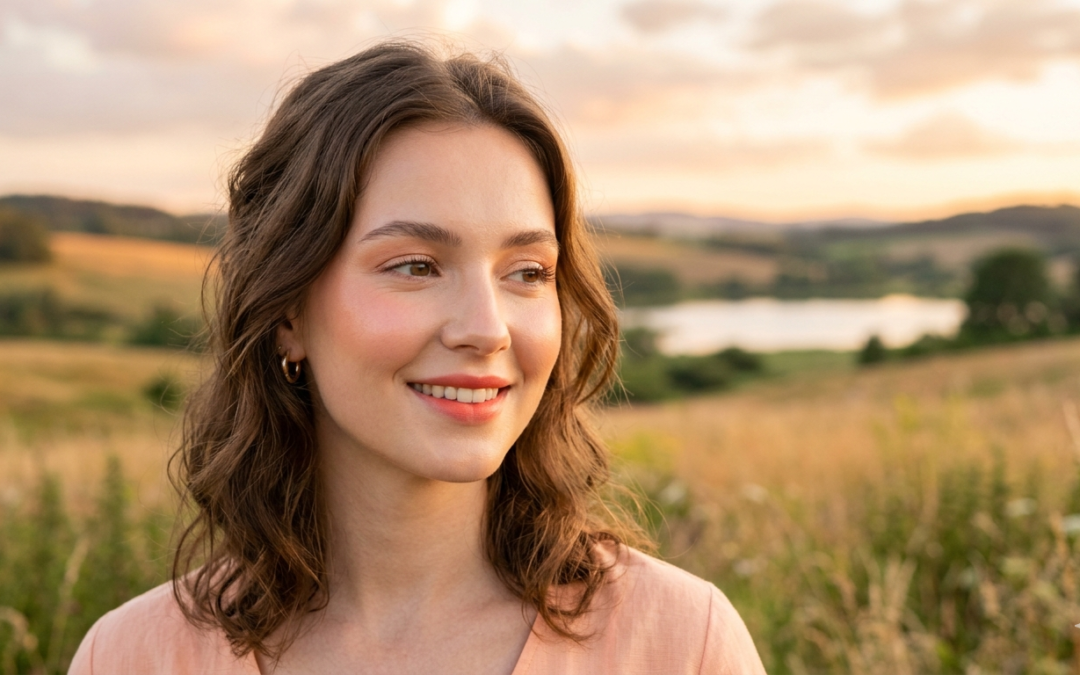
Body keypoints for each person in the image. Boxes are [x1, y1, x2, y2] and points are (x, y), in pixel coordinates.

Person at [68, 41, 766, 675]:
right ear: (287, 312)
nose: (487, 328)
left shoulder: (681, 644)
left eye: (527, 271)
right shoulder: (132, 656)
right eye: (416, 265)